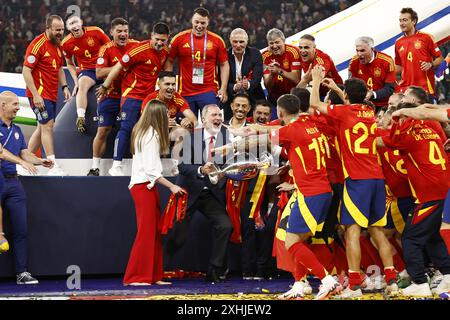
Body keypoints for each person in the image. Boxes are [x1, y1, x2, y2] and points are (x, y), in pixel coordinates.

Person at [309, 65, 399, 298]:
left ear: (346, 97)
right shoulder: (369, 112)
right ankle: (392, 280)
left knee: (351, 231)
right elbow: (353, 103)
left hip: (357, 180)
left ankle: (355, 284)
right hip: (377, 178)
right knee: (377, 229)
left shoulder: (342, 113)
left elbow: (316, 105)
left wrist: (317, 81)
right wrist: (340, 89)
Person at [378, 102, 450, 297]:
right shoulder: (433, 126)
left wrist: (389, 123)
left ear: (403, 118)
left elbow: (383, 142)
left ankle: (420, 282)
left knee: (410, 238)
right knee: (432, 235)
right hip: (445, 189)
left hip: (429, 194)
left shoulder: (405, 135)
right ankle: (447, 276)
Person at [123, 99, 185, 286]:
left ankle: (153, 275)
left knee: (154, 233)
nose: (169, 116)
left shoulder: (146, 132)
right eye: (166, 114)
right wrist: (172, 186)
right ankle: (136, 276)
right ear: (158, 115)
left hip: (146, 186)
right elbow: (151, 171)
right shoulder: (150, 135)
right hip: (143, 186)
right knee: (146, 233)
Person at [96, 22, 170, 176]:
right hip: (132, 96)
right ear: (151, 36)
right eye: (157, 39)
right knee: (127, 129)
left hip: (149, 99)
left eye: (163, 40)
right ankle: (116, 166)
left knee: (149, 132)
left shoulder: (165, 52)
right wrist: (105, 86)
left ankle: (146, 166)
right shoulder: (138, 49)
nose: (160, 43)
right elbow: (117, 67)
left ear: (167, 39)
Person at [172, 104, 233, 282]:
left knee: (225, 226)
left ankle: (215, 271)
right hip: (189, 191)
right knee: (176, 234)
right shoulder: (192, 138)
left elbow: (232, 165)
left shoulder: (227, 139)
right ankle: (160, 269)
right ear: (204, 119)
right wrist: (200, 169)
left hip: (211, 195)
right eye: (214, 115)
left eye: (220, 115)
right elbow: (182, 166)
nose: (218, 118)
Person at [0, 91, 54, 284]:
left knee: (21, 229)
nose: (17, 107)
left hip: (13, 183)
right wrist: (21, 163)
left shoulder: (17, 130)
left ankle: (22, 272)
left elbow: (24, 153)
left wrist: (40, 161)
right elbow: (2, 152)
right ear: (3, 105)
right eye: (14, 104)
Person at [87, 18, 138, 176]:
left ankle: (135, 167)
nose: (123, 34)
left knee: (134, 131)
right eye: (119, 31)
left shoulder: (136, 46)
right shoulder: (106, 49)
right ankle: (95, 167)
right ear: (111, 32)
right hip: (109, 96)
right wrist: (122, 65)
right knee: (103, 130)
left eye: (125, 31)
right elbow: (99, 73)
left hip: (130, 96)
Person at [22, 15, 70, 176]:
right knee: (47, 126)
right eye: (57, 30)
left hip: (51, 94)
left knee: (42, 127)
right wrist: (36, 95)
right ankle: (52, 165)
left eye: (62, 29)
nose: (60, 32)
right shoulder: (37, 45)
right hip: (39, 95)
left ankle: (24, 161)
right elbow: (26, 71)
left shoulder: (58, 45)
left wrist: (64, 86)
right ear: (48, 28)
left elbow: (59, 68)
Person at [164, 7, 230, 116]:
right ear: (192, 21)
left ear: (208, 22)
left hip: (208, 91)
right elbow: (169, 61)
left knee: (212, 126)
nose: (199, 26)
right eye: (197, 22)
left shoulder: (217, 40)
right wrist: (170, 84)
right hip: (184, 92)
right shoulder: (179, 39)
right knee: (185, 128)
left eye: (203, 23)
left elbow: (224, 64)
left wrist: (223, 88)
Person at [62, 14, 110, 133]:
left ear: (81, 22)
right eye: (71, 24)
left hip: (103, 67)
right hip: (87, 71)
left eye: (76, 22)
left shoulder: (96, 32)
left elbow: (111, 49)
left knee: (113, 84)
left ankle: (111, 115)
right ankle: (81, 117)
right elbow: (69, 63)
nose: (74, 26)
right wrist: (75, 81)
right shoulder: (66, 43)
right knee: (82, 86)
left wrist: (111, 69)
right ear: (68, 28)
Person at [395, 7, 444, 99]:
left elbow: (440, 59)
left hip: (424, 88)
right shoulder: (398, 42)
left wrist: (431, 64)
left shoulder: (426, 37)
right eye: (400, 21)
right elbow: (398, 66)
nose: (401, 23)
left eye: (405, 20)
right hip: (406, 89)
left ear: (413, 21)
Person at [223, 28, 264, 120]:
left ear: (247, 41)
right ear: (230, 41)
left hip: (253, 97)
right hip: (231, 99)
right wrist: (234, 87)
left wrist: (248, 84)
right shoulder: (224, 55)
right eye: (235, 42)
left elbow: (257, 78)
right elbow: (220, 79)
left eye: (241, 42)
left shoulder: (255, 54)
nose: (238, 45)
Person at [262, 28, 301, 119]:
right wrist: (272, 73)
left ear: (283, 41)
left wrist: (279, 71)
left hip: (293, 99)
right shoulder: (264, 57)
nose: (274, 46)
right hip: (275, 100)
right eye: (271, 43)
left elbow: (297, 79)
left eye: (277, 42)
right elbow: (268, 87)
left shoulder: (293, 52)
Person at [349, 36, 396, 112]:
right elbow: (351, 85)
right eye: (357, 51)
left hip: (383, 105)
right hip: (363, 104)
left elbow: (390, 88)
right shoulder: (354, 62)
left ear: (372, 49)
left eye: (362, 51)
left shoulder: (386, 61)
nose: (359, 54)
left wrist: (373, 94)